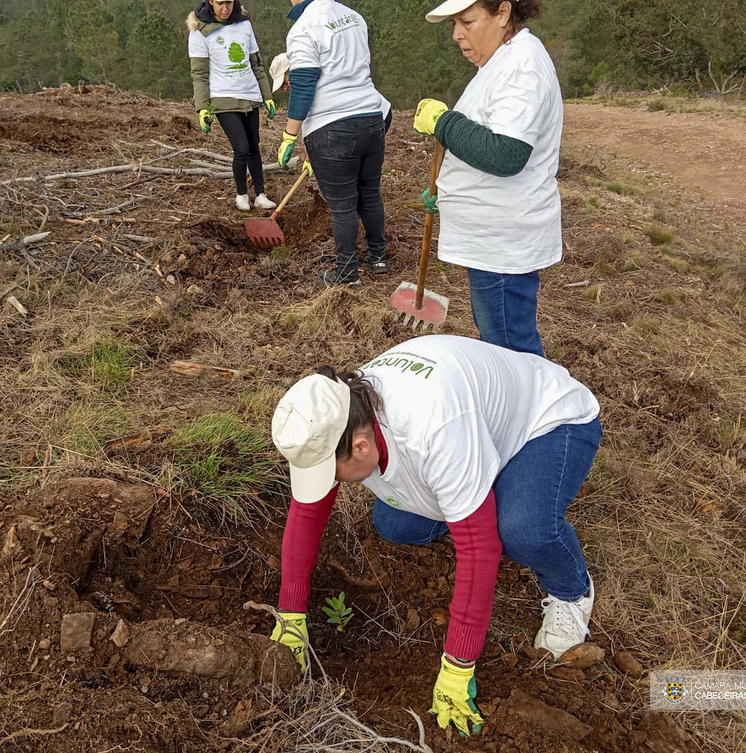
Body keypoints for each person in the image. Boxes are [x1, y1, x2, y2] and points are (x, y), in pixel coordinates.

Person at [268, 334, 601, 736]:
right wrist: (289, 615)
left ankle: (572, 591)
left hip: (547, 422)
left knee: (520, 530)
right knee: (395, 525)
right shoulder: (341, 413)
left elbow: (480, 549)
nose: (330, 484)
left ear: (359, 447)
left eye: (330, 472)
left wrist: (458, 666)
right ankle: (478, 492)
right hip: (471, 430)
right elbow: (307, 515)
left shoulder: (433, 428)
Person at [412, 0, 560, 357]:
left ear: (503, 13)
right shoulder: (500, 60)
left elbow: (505, 153)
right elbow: (486, 135)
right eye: (454, 24)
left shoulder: (522, 67)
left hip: (503, 245)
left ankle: (540, 410)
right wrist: (448, 192)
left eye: (467, 22)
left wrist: (443, 122)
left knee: (512, 350)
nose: (456, 34)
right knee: (501, 344)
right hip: (490, 238)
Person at [277, 0, 391, 286]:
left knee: (342, 206)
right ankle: (378, 257)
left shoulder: (303, 28)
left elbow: (303, 84)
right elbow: (363, 67)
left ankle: (347, 272)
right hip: (371, 116)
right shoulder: (353, 16)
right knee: (370, 193)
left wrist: (290, 134)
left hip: (332, 126)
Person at [188, 0, 277, 213]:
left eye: (229, 2)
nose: (225, 8)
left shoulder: (244, 24)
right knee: (241, 148)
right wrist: (202, 108)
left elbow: (255, 63)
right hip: (223, 97)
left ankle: (261, 194)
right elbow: (199, 74)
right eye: (220, 3)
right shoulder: (199, 30)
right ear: (211, 2)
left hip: (249, 93)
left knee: (254, 145)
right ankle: (241, 194)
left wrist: (267, 96)